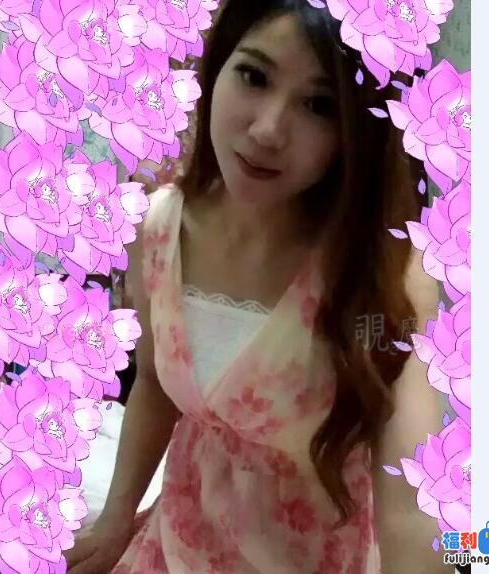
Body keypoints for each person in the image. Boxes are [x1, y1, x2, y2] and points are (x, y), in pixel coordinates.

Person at [65, 0, 450, 572]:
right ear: (217, 67)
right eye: (253, 75)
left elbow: (411, 511)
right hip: (179, 543)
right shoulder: (157, 231)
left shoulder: (386, 274)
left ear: (355, 130)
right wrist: (117, 519)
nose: (268, 130)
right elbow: (153, 383)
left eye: (319, 105)